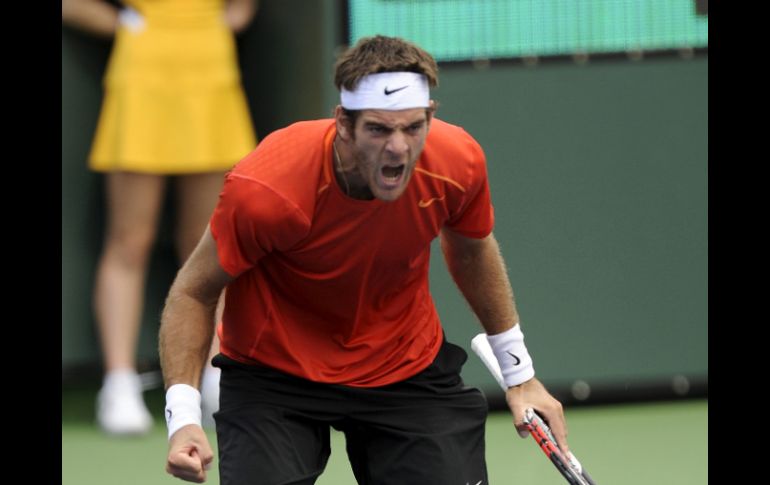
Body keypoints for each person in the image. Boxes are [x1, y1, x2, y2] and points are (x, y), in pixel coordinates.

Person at [159, 35, 571, 484]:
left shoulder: (456, 162)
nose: (398, 147)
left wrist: (520, 374)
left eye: (413, 127)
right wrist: (183, 418)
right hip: (274, 374)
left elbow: (472, 249)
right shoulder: (269, 189)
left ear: (431, 116)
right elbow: (195, 291)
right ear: (342, 123)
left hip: (403, 365)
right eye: (378, 129)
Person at [62, 0, 259, 435]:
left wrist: (208, 28)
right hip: (141, 77)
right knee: (129, 240)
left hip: (211, 75)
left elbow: (243, 9)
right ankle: (118, 384)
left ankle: (214, 377)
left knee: (209, 242)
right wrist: (125, 24)